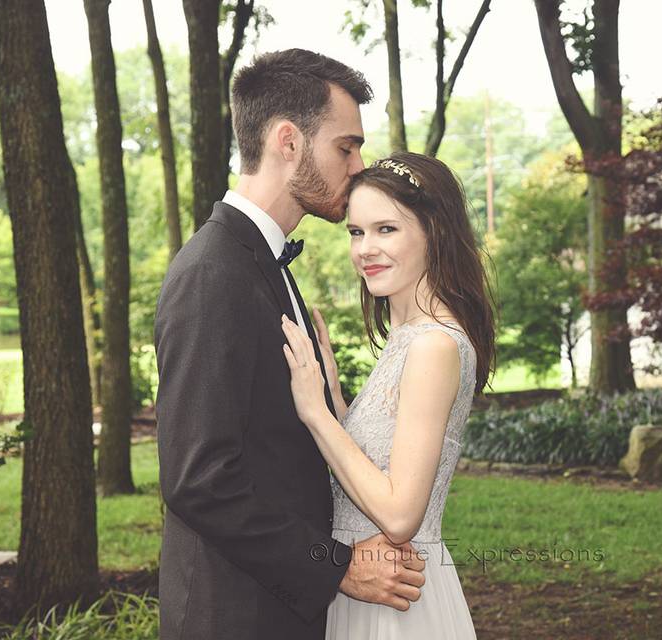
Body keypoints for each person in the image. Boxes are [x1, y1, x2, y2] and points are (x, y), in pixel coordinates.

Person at [154, 49, 426, 640]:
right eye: (346, 146)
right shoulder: (213, 273)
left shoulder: (264, 263)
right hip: (232, 617)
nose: (358, 165)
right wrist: (339, 567)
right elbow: (199, 477)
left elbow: (278, 451)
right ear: (288, 141)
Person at [281, 151, 495, 639]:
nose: (365, 249)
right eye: (356, 232)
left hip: (396, 604)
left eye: (386, 229)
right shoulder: (407, 339)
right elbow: (372, 465)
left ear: (433, 232)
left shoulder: (434, 345)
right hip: (368, 587)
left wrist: (317, 414)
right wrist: (334, 396)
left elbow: (400, 514)